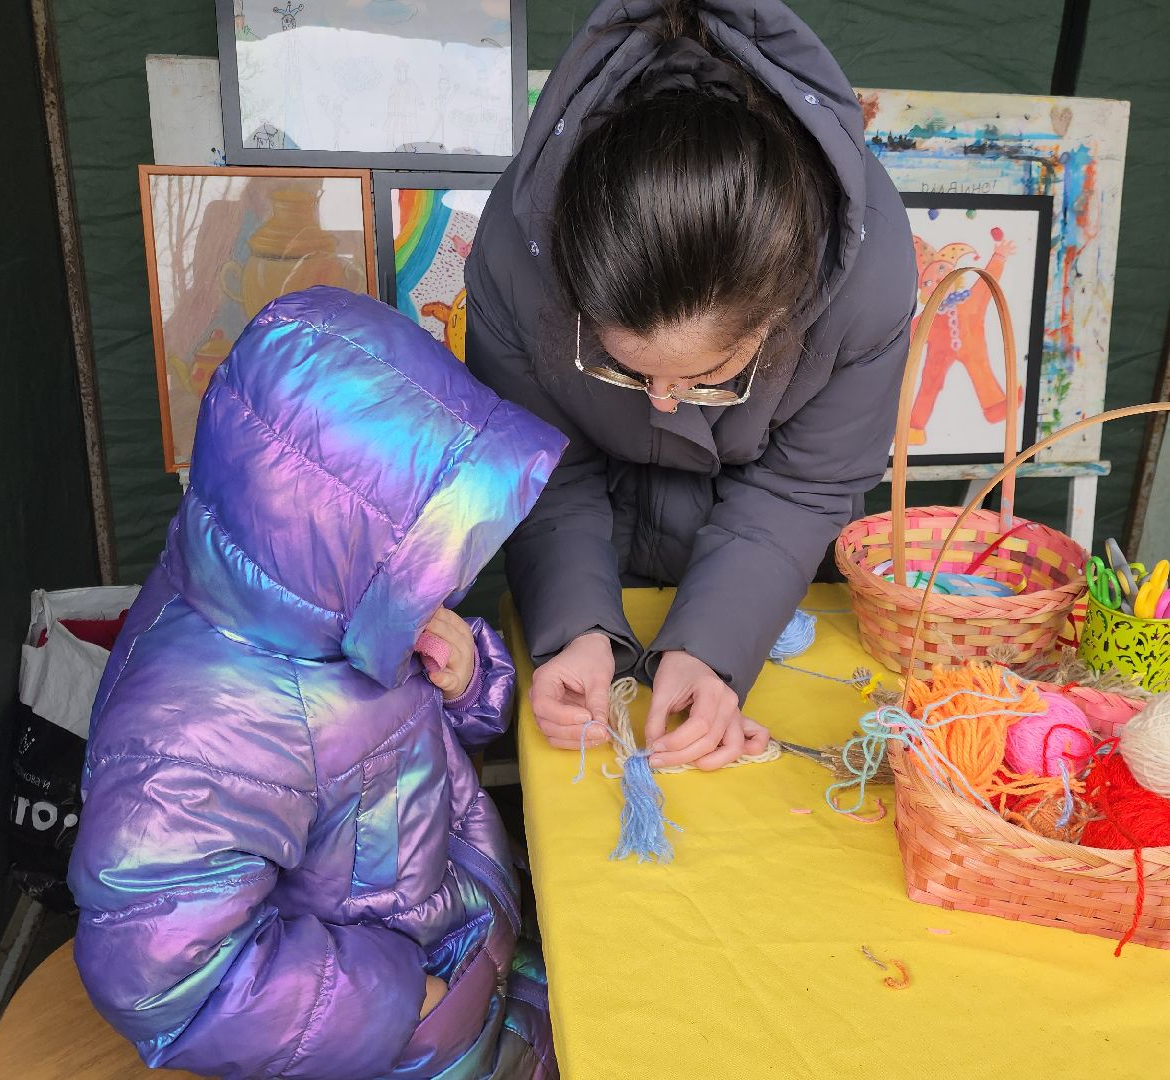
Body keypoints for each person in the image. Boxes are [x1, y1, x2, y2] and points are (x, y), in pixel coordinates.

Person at [70, 289, 566, 1078]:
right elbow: (165, 982)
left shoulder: (334, 606)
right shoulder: (194, 733)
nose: (445, 587)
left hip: (465, 928)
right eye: (427, 561)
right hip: (405, 1034)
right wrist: (411, 1000)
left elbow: (406, 742)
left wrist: (469, 679)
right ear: (327, 536)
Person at [465, 0, 917, 771]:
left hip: (769, 567)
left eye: (708, 378)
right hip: (590, 538)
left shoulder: (866, 275)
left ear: (781, 317)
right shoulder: (516, 252)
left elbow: (803, 487)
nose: (664, 402)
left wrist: (713, 650)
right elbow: (542, 466)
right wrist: (574, 626)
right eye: (627, 370)